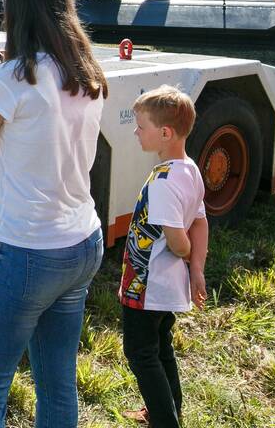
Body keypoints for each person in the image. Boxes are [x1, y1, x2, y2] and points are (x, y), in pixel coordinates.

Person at [0, 0, 108, 427]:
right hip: (82, 243)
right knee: (57, 382)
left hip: (25, 251)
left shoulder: (11, 80)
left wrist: (11, 160)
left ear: (14, 11)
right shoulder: (87, 75)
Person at [119, 86, 209, 428]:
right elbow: (201, 221)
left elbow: (178, 241)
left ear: (165, 132)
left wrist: (187, 254)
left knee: (140, 354)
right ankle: (168, 410)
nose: (136, 132)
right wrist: (196, 269)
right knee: (160, 346)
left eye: (141, 126)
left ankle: (164, 420)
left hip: (147, 286)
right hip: (164, 286)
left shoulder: (163, 181)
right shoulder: (189, 170)